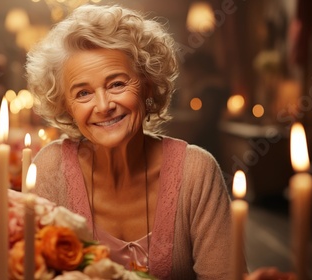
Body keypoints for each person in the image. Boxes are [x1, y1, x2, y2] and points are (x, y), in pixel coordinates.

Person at [26, 4, 295, 280]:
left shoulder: (196, 172)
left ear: (148, 85)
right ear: (66, 106)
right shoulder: (50, 168)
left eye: (117, 84)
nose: (104, 105)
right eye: (83, 93)